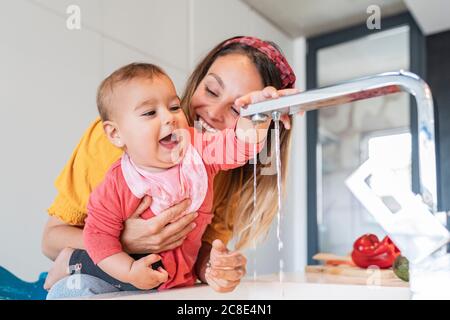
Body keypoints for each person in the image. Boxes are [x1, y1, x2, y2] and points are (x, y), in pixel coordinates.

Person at [42, 36, 298, 298]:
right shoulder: (118, 161)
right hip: (110, 276)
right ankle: (76, 262)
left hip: (164, 284)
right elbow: (55, 239)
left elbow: (239, 145)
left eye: (237, 108)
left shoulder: (204, 153)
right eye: (210, 90)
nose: (213, 112)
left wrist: (214, 266)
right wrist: (125, 244)